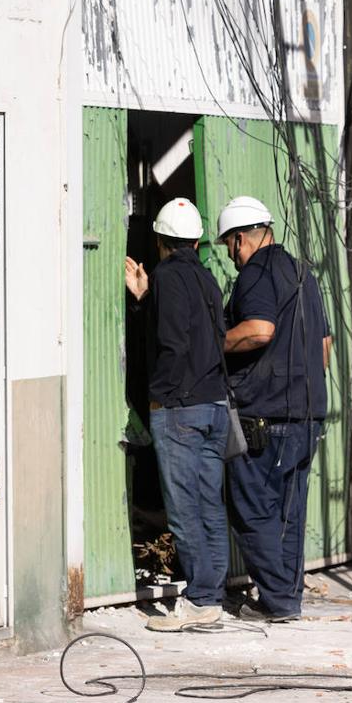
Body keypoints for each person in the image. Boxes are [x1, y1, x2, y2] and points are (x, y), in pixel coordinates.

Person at [218, 196, 331, 623]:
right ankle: (287, 596)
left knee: (251, 508)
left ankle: (281, 600)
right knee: (289, 512)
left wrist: (215, 345)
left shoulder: (255, 272)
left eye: (231, 246)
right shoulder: (305, 273)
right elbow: (323, 347)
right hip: (308, 415)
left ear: (241, 239)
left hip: (267, 416)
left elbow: (260, 330)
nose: (232, 256)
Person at [124, 198, 229, 632]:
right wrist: (146, 299)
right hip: (215, 406)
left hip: (180, 408)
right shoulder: (208, 280)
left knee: (184, 507)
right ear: (198, 239)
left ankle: (200, 598)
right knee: (209, 504)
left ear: (160, 240)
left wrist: (158, 397)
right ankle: (212, 596)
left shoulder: (167, 276)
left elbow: (171, 341)